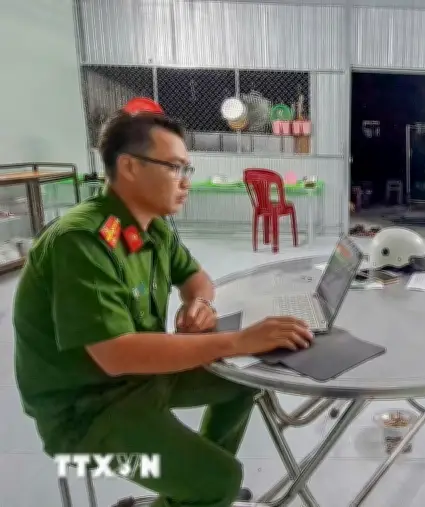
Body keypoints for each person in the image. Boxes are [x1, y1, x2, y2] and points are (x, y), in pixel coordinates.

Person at [13, 111, 314, 507]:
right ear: (129, 167)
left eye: (186, 168)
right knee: (220, 478)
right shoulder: (81, 241)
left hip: (139, 379)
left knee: (246, 377)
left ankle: (195, 491)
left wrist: (199, 303)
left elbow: (197, 279)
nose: (185, 181)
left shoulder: (152, 226)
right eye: (174, 167)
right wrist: (237, 340)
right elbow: (116, 355)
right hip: (85, 411)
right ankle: (206, 489)